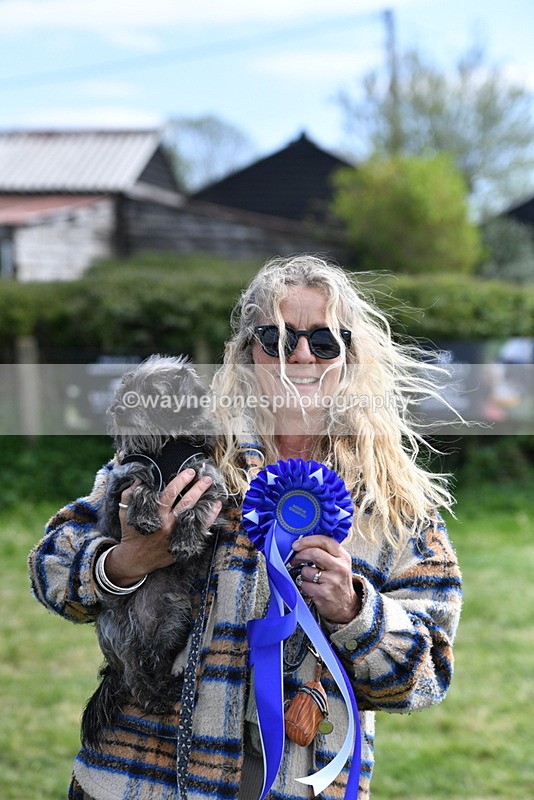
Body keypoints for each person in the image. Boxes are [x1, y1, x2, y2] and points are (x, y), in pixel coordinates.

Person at [28, 254, 462, 800]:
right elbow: (50, 570)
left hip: (297, 784)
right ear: (245, 352)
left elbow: (426, 675)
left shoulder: (394, 500)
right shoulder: (181, 449)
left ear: (351, 356)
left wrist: (354, 610)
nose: (300, 355)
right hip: (138, 780)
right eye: (276, 338)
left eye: (324, 340)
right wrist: (128, 561)